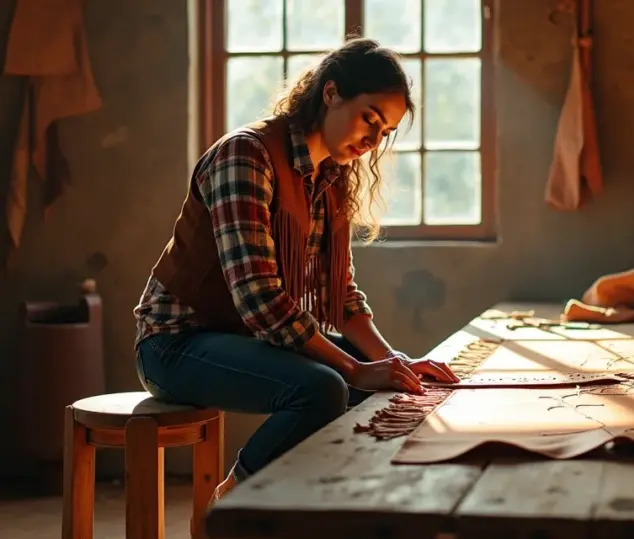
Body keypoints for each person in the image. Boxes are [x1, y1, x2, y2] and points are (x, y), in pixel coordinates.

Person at [132, 38, 460, 504]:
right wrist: (354, 368)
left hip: (247, 339)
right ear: (330, 94)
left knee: (385, 390)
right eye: (369, 118)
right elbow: (261, 301)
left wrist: (394, 362)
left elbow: (342, 298)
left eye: (383, 132)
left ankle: (329, 508)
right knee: (325, 387)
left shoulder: (329, 176)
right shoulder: (245, 156)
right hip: (174, 344)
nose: (372, 142)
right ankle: (232, 505)